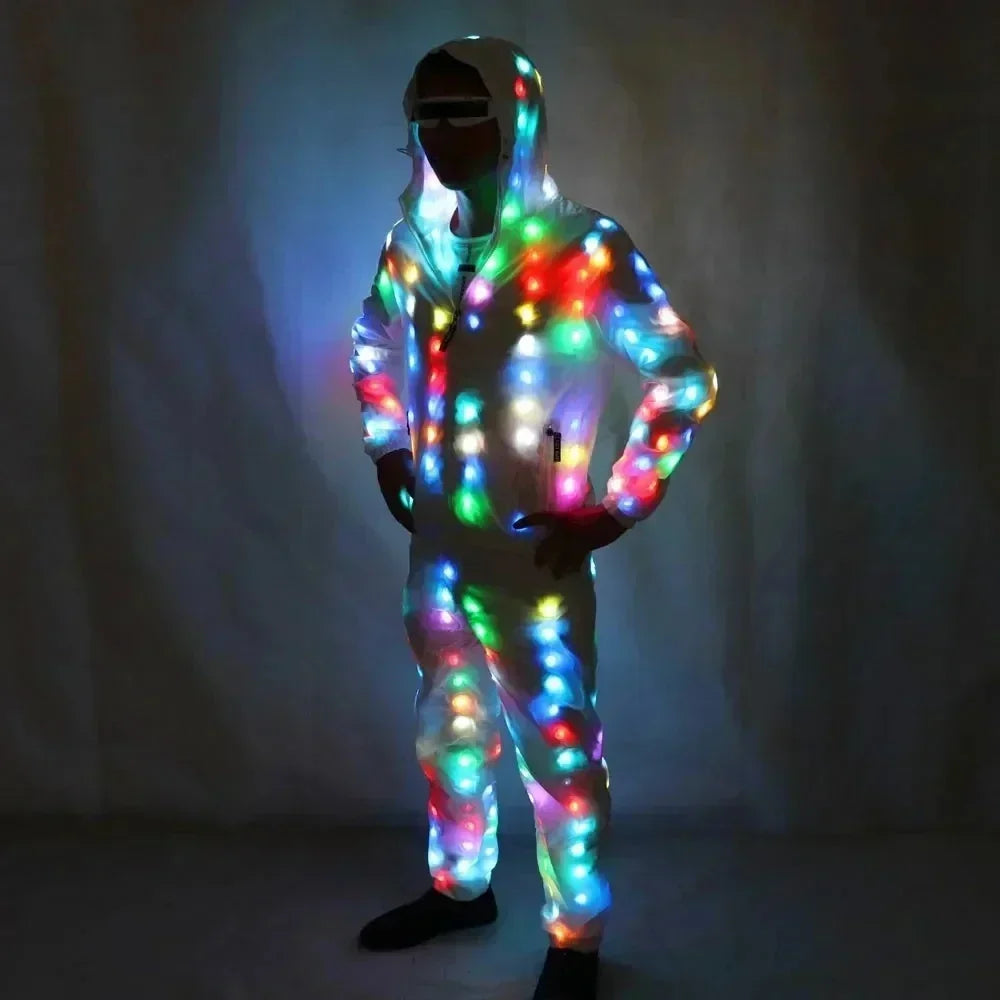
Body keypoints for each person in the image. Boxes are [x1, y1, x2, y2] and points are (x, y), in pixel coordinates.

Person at [350, 36, 717, 1000]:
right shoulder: (413, 246)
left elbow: (681, 376)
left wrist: (617, 505)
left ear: (514, 120)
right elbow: (371, 336)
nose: (438, 134)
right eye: (423, 115)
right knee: (449, 728)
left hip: (532, 554)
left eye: (460, 111)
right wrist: (388, 446)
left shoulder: (582, 250)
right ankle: (459, 887)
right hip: (438, 547)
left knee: (557, 747)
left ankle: (576, 937)